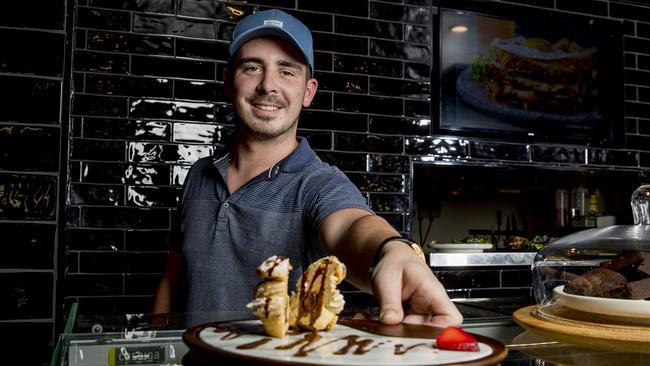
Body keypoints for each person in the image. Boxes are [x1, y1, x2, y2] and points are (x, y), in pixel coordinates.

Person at [153, 9, 462, 328]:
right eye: (252, 67)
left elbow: (351, 226)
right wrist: (155, 343)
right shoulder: (199, 173)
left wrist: (390, 250)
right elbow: (175, 271)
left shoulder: (319, 183)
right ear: (228, 81)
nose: (267, 85)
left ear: (309, 91)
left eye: (286, 71)